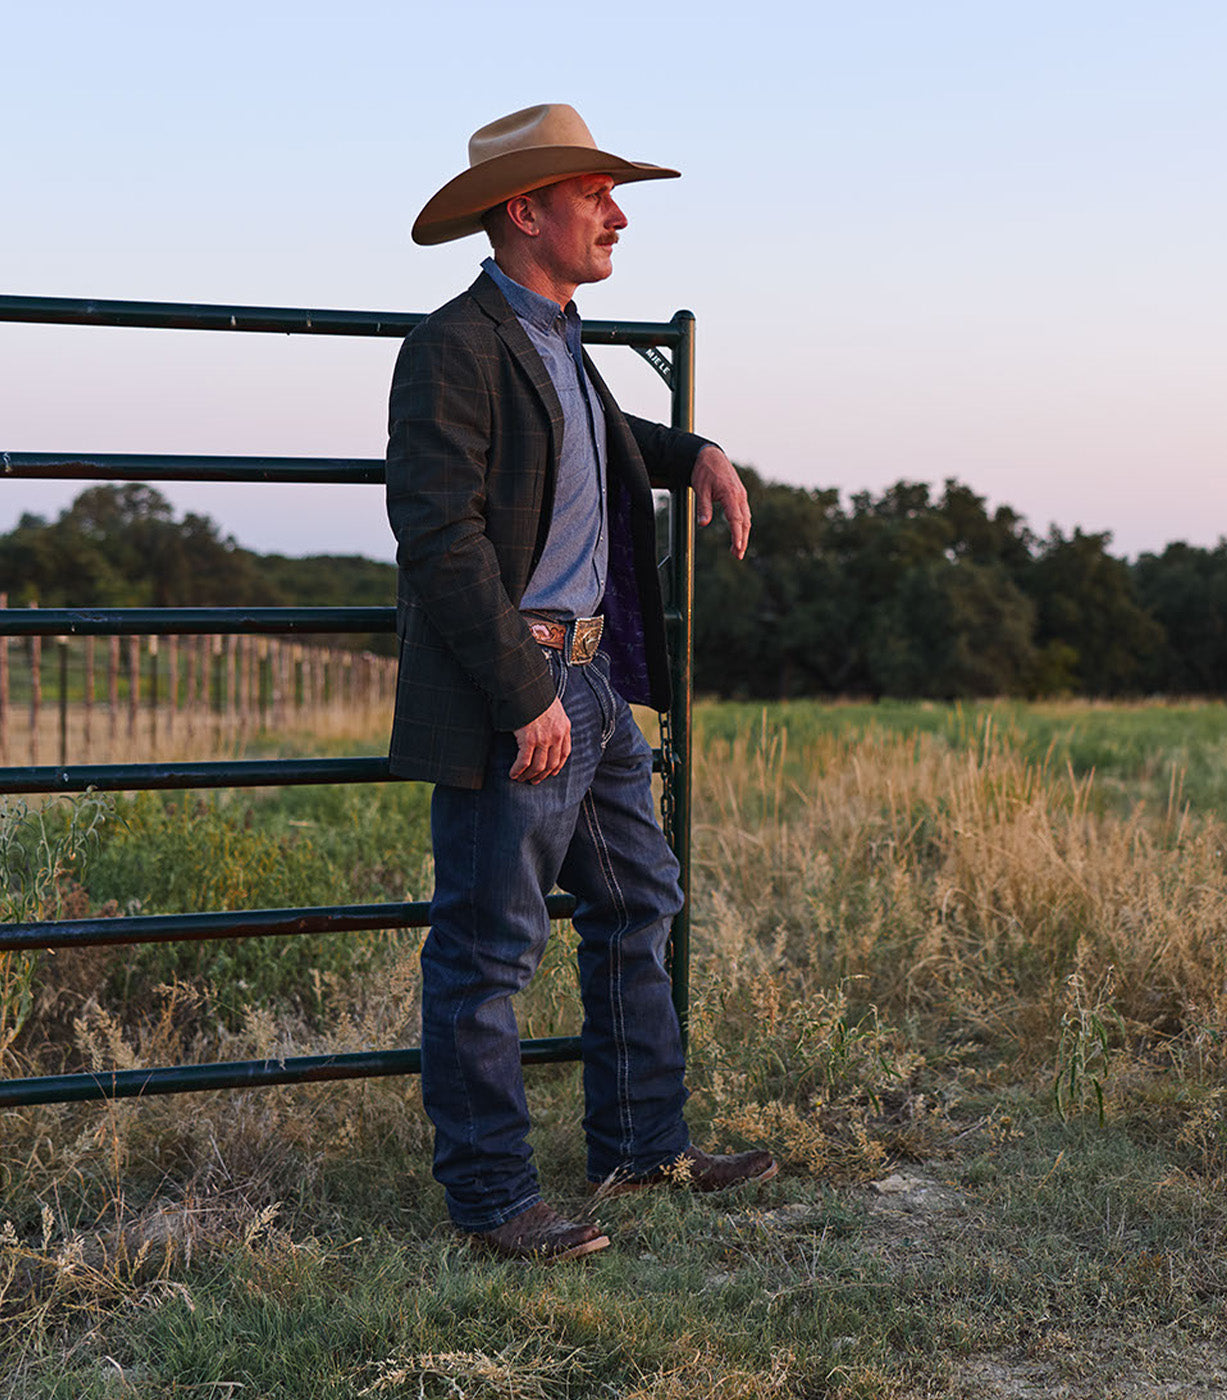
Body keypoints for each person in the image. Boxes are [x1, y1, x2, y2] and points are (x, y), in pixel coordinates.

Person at [385, 104, 774, 1261]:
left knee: (637, 902)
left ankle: (640, 1143)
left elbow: (598, 438)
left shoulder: (559, 336)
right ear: (524, 210)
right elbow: (437, 535)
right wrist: (522, 692)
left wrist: (690, 451)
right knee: (487, 949)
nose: (615, 215)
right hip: (527, 693)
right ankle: (495, 1200)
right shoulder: (452, 347)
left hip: (592, 680)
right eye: (595, 194)